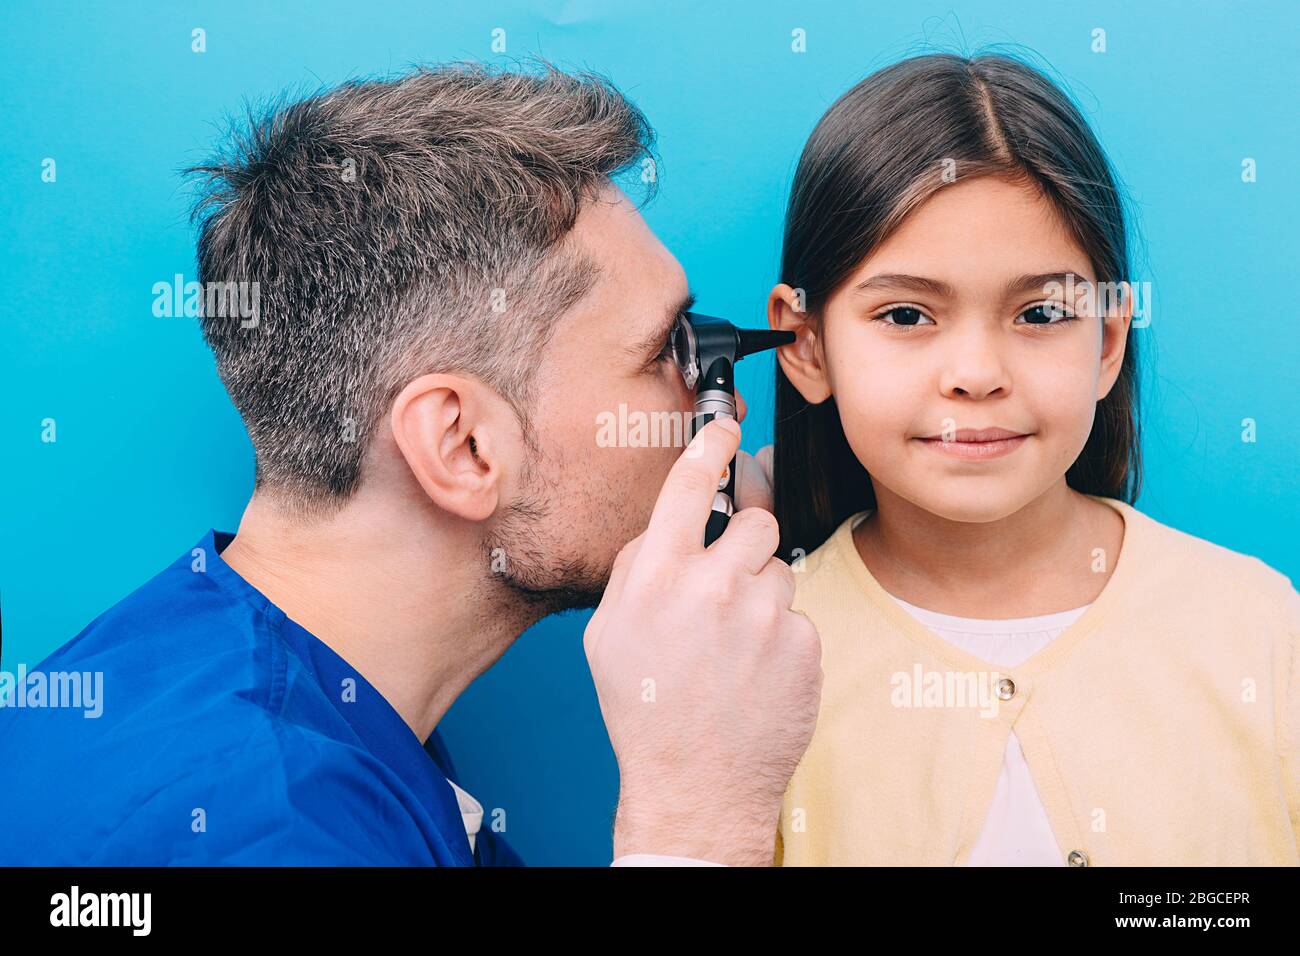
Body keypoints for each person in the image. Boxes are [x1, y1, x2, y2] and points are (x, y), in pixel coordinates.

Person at [0, 63, 821, 866]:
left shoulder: (270, 698)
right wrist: (696, 823)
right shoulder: (262, 822)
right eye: (663, 353)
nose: (722, 407)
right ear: (463, 447)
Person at [766, 52, 1299, 866]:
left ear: (1109, 343)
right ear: (806, 345)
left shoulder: (1262, 630)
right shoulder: (755, 663)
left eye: (1041, 312)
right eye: (907, 314)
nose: (977, 375)